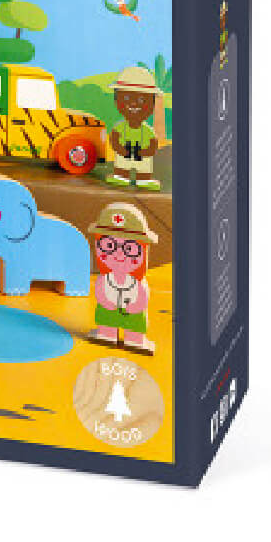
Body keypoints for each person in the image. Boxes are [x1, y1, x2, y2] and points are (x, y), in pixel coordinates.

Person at [87, 201, 158, 354]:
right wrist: (106, 302)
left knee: (134, 328)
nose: (119, 254)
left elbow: (142, 297)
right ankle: (107, 335)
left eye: (129, 248)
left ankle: (134, 340)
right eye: (109, 246)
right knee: (106, 324)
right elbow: (100, 292)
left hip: (133, 314)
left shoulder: (137, 284)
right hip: (107, 310)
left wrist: (135, 307)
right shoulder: (104, 279)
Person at [106, 64, 162, 190]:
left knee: (145, 167)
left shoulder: (147, 130)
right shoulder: (120, 127)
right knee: (121, 166)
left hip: (142, 155)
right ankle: (121, 176)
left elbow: (153, 143)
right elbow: (114, 138)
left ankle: (144, 179)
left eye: (142, 100)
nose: (133, 103)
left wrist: (147, 151)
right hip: (124, 153)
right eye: (126, 98)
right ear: (116, 100)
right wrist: (119, 148)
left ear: (152, 104)